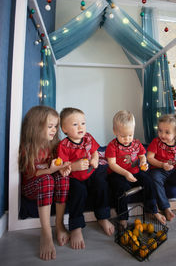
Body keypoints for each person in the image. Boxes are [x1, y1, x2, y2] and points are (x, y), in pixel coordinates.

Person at [19, 106, 71, 261]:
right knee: (47, 180)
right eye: (50, 126)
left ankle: (60, 224)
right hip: (31, 186)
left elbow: (61, 165)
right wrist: (51, 170)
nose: (54, 130)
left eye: (55, 126)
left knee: (63, 178)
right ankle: (46, 233)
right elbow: (32, 174)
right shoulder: (28, 148)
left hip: (47, 183)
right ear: (36, 126)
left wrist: (63, 169)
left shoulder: (55, 146)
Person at [57, 107, 114, 250]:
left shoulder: (88, 137)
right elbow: (62, 167)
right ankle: (76, 227)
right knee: (78, 193)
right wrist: (74, 166)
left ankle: (102, 216)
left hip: (90, 172)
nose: (80, 127)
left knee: (101, 184)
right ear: (64, 129)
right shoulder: (63, 146)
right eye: (75, 124)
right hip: (75, 177)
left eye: (83, 123)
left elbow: (95, 152)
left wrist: (95, 159)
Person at [105, 110, 166, 228]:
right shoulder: (112, 146)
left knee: (148, 181)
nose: (127, 139)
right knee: (121, 189)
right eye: (123, 136)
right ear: (115, 131)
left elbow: (142, 155)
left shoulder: (137, 143)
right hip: (117, 173)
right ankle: (122, 217)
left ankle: (153, 210)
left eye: (130, 135)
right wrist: (126, 173)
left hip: (135, 172)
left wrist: (144, 162)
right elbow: (112, 164)